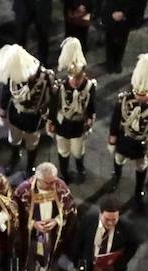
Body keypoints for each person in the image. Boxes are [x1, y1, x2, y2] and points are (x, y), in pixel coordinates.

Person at [106, 54, 148, 211]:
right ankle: (116, 177)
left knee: (141, 166)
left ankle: (139, 190)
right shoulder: (124, 100)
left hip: (141, 142)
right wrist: (112, 140)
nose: (140, 97)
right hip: (125, 138)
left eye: (143, 95)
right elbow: (115, 120)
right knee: (118, 159)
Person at [14, 163, 76, 271]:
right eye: (48, 183)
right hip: (31, 236)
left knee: (48, 259)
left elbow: (71, 209)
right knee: (30, 259)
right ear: (38, 179)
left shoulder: (60, 186)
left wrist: (57, 221)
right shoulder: (24, 190)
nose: (53, 185)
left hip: (51, 235)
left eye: (54, 181)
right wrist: (32, 224)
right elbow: (13, 213)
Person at [0, 44, 53, 174]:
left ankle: (30, 167)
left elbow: (51, 98)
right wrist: (2, 110)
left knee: (32, 144)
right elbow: (7, 91)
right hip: (16, 114)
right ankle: (14, 159)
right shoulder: (15, 73)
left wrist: (50, 119)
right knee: (14, 140)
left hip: (34, 117)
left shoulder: (45, 77)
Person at [48, 39, 97, 184]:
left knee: (78, 151)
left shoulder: (90, 87)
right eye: (73, 77)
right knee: (63, 151)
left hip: (78, 125)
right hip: (62, 124)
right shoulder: (60, 87)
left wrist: (90, 118)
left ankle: (80, 170)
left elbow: (91, 104)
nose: (75, 81)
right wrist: (51, 121)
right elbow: (54, 105)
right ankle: (64, 173)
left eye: (78, 77)